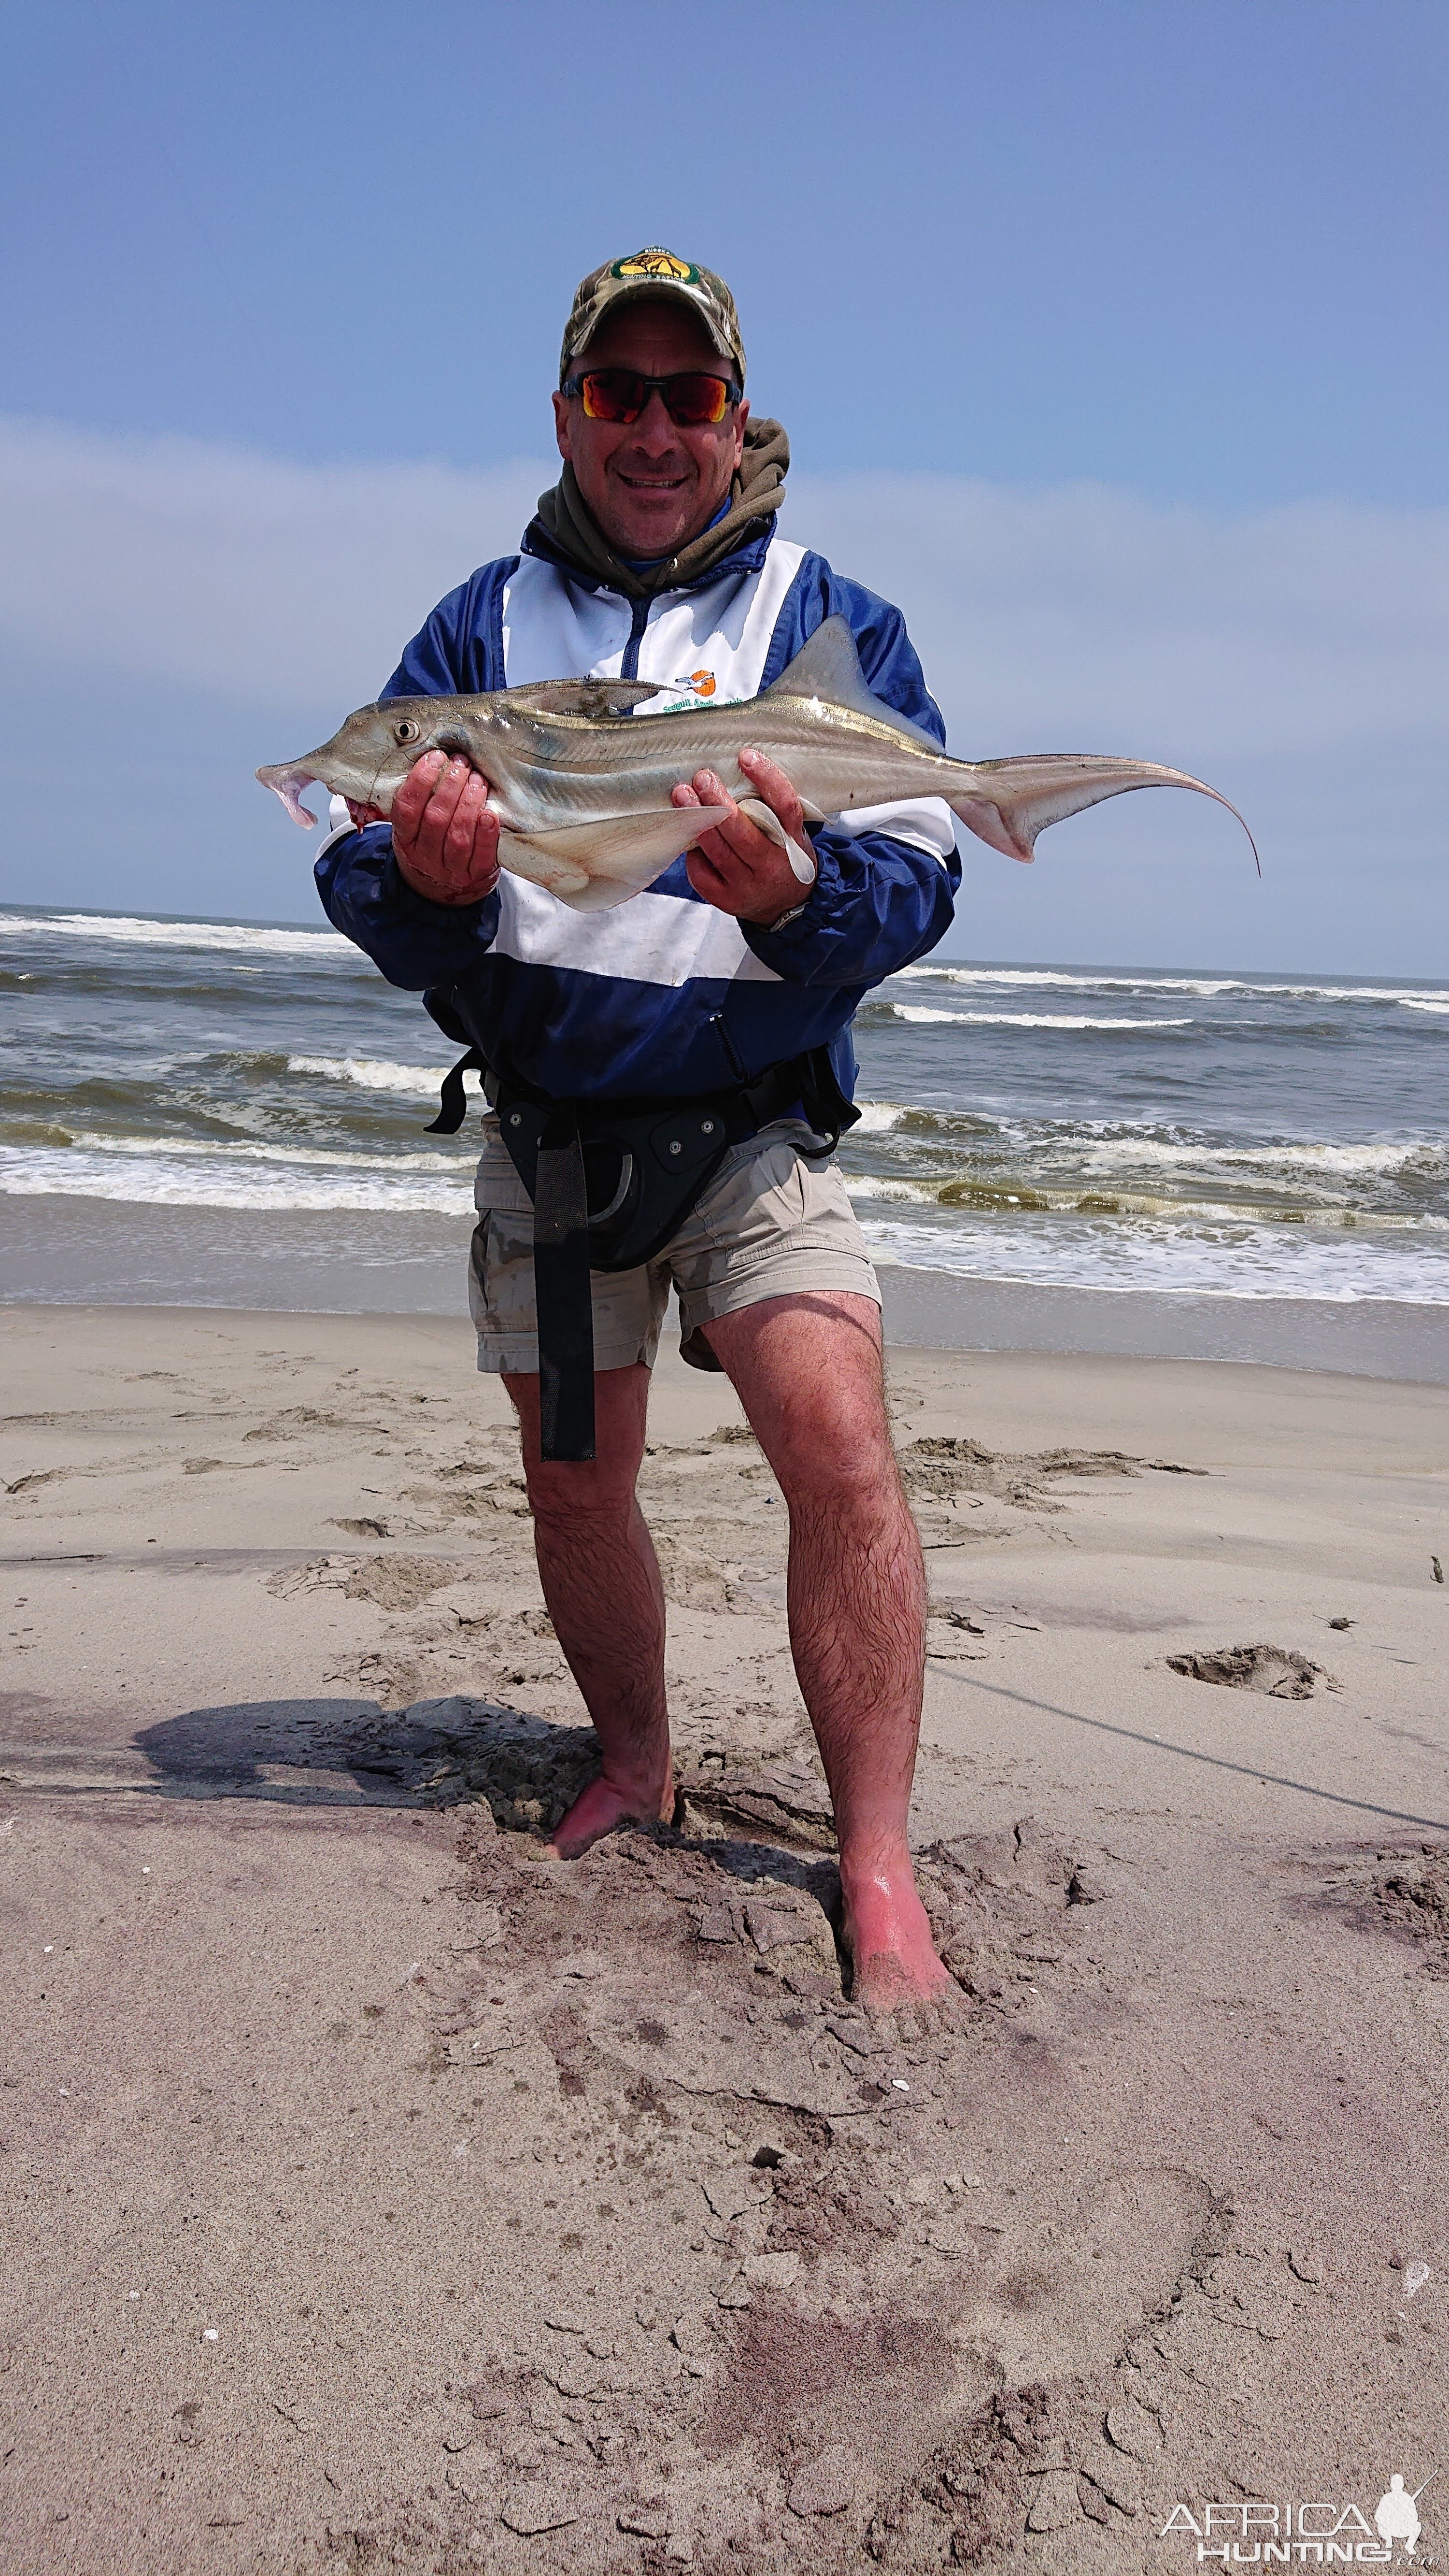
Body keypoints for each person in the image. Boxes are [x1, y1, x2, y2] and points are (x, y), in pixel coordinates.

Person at [316, 246, 961, 2009]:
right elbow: (365, 880)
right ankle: (635, 1759)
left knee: (836, 1445)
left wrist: (795, 904)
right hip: (552, 1133)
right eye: (621, 396)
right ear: (568, 417)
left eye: (690, 398)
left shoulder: (836, 621)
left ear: (738, 417)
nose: (657, 431)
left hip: (755, 1132)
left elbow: (916, 884)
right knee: (575, 1483)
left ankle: (881, 1864)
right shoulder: (479, 626)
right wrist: (433, 891)